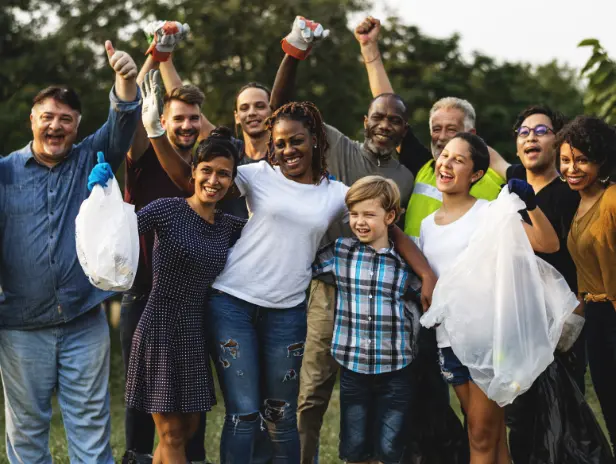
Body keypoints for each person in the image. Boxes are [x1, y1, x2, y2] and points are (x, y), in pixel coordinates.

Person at [269, 18, 437, 463]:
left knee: (378, 396)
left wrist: (422, 271)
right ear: (366, 120)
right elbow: (281, 109)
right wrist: (296, 51)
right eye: (378, 116)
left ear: (404, 130)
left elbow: (397, 229)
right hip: (331, 285)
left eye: (395, 120)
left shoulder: (407, 174)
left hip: (381, 290)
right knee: (313, 391)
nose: (385, 124)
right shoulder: (338, 147)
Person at [0, 41, 141, 463]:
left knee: (91, 430)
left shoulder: (89, 160)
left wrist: (125, 79)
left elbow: (123, 122)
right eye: (48, 117)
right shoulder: (4, 172)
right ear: (32, 120)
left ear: (77, 127)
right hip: (21, 327)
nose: (56, 126)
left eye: (66, 119)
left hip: (83, 321)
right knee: (25, 433)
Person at [419, 132, 560, 464]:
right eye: (444, 156)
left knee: (480, 437)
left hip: (489, 340)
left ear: (477, 174)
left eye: (459, 159)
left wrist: (531, 205)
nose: (446, 163)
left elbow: (548, 243)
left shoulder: (488, 214)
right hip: (448, 341)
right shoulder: (426, 225)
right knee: (490, 435)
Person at [119, 126, 245, 464]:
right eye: (207, 170)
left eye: (223, 174)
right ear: (193, 171)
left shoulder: (229, 226)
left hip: (194, 330)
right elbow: (118, 235)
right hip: (159, 326)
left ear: (232, 181)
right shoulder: (166, 209)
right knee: (171, 433)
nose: (213, 180)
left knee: (186, 429)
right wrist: (101, 196)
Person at [119, 22, 214, 464]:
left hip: (196, 296)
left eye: (194, 118)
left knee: (193, 399)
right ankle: (138, 456)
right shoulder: (143, 152)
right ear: (163, 121)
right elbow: (135, 109)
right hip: (145, 291)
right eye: (179, 118)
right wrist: (153, 58)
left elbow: (212, 131)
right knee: (143, 396)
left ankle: (189, 457)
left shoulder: (206, 167)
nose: (188, 125)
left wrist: (169, 61)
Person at [312, 176, 420, 464]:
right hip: (354, 368)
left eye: (369, 215)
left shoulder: (403, 262)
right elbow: (302, 263)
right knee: (355, 446)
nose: (359, 222)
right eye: (354, 214)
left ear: (390, 216)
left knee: (390, 447)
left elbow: (423, 297)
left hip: (396, 367)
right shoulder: (341, 252)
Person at [556, 115, 616, 451]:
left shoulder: (612, 199)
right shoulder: (578, 204)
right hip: (596, 317)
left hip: (613, 311)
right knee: (609, 407)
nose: (572, 168)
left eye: (581, 159)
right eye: (565, 160)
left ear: (602, 159)